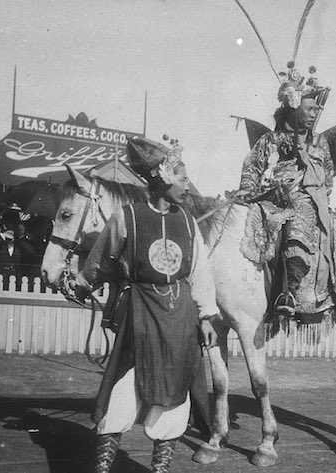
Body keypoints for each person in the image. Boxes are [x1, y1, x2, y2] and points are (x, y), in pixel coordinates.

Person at [73, 136, 219, 473]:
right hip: (139, 313)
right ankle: (103, 468)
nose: (187, 185)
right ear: (163, 179)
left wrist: (207, 317)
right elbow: (100, 260)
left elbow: (199, 272)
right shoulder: (127, 218)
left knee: (174, 391)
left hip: (181, 318)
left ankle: (160, 469)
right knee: (125, 387)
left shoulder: (187, 222)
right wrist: (82, 283)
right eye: (181, 178)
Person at [237, 62, 334, 316]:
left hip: (305, 200)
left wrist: (310, 191)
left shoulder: (319, 143)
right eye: (310, 108)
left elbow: (329, 179)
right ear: (294, 107)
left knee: (297, 223)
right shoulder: (269, 140)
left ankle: (289, 292)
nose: (314, 113)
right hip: (270, 198)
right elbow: (251, 170)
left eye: (316, 109)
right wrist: (248, 191)